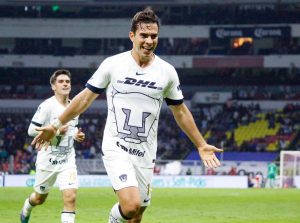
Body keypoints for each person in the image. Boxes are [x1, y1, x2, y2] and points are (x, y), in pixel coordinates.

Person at [31, 9, 223, 223]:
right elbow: (84, 99)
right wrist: (56, 125)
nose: (149, 41)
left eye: (154, 36)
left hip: (145, 151)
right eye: (144, 35)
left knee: (136, 215)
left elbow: (180, 110)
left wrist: (200, 144)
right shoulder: (113, 64)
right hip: (116, 146)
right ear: (132, 36)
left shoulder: (167, 72)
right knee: (130, 206)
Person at [20, 69, 85, 223]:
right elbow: (30, 130)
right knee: (39, 199)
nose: (65, 84)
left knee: (71, 196)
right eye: (61, 81)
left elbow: (72, 127)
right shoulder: (47, 106)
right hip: (47, 160)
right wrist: (55, 132)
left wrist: (76, 135)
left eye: (67, 81)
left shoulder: (75, 106)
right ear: (53, 86)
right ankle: (27, 206)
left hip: (67, 160)